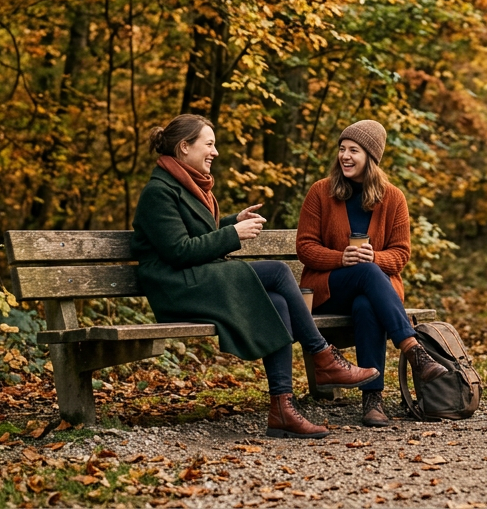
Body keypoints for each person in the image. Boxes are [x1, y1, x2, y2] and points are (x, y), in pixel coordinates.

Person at [131, 114, 379, 439]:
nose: (215, 152)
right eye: (209, 144)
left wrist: (232, 221)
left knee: (277, 301)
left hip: (197, 280)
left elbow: (192, 234)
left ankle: (283, 409)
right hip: (177, 288)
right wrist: (233, 233)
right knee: (276, 271)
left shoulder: (186, 185)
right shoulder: (159, 192)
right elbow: (179, 250)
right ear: (184, 147)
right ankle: (322, 356)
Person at [297, 120, 450, 428]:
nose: (345, 156)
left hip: (372, 294)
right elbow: (305, 247)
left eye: (354, 150)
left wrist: (375, 257)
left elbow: (401, 254)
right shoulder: (320, 192)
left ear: (371, 157)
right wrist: (341, 258)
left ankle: (372, 401)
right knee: (366, 273)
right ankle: (411, 347)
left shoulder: (393, 198)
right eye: (342, 149)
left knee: (367, 305)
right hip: (329, 288)